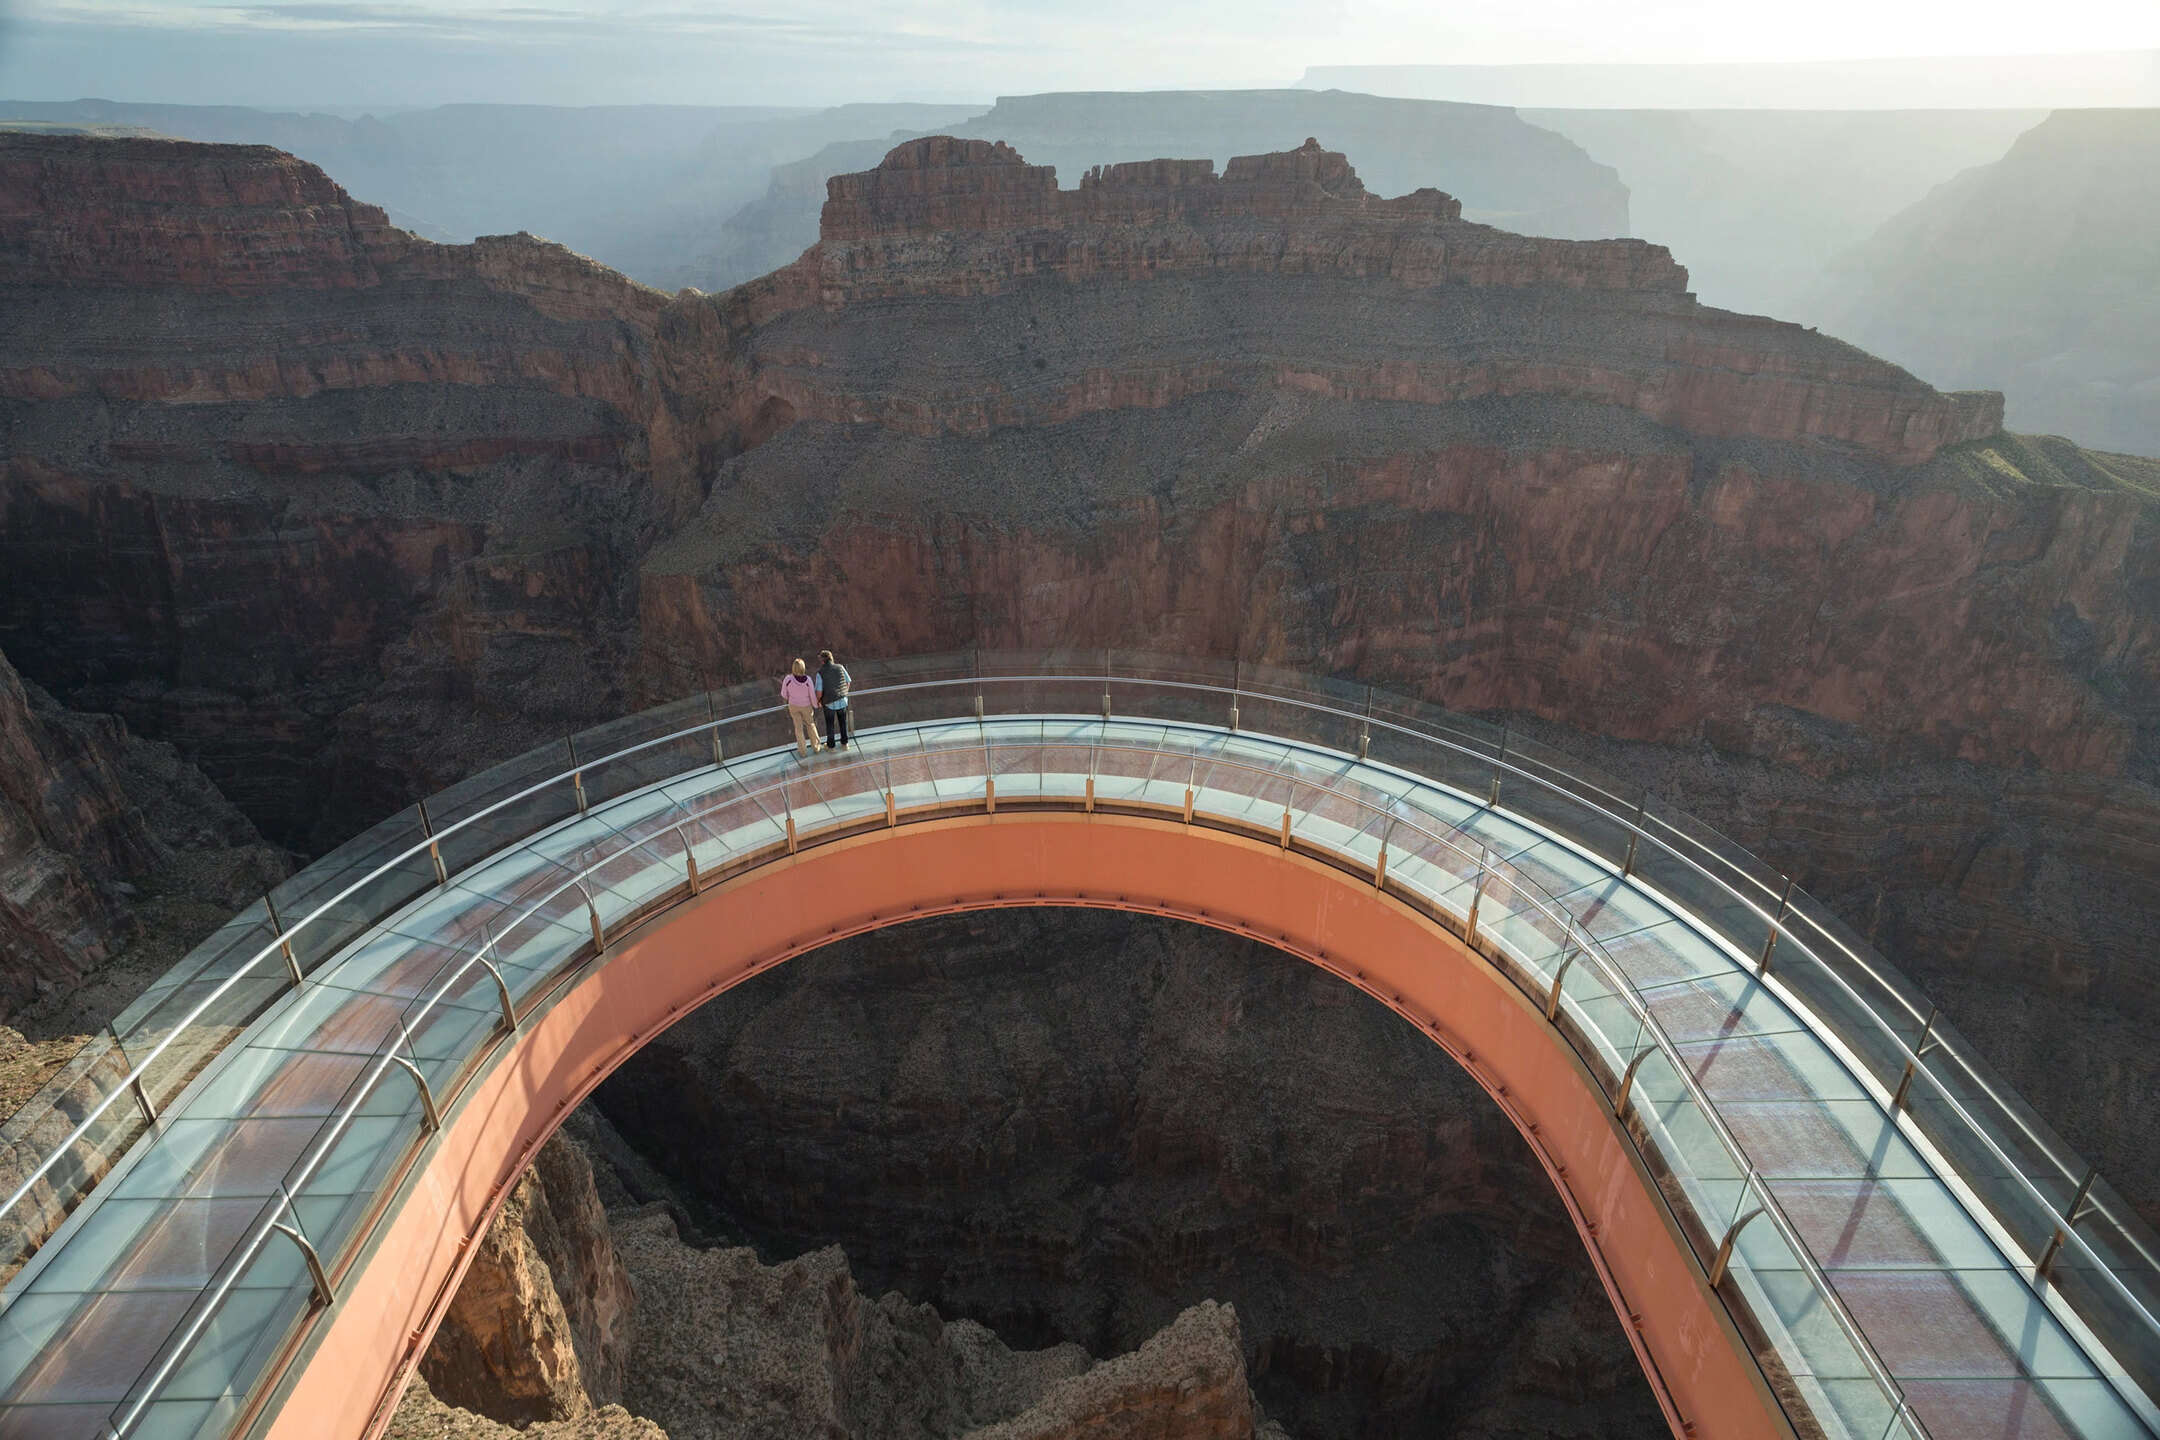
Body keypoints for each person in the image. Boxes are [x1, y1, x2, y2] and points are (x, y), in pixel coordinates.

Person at [780, 659, 820, 757]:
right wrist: (815, 705)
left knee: (798, 728)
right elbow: (812, 695)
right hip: (806, 706)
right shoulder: (808, 680)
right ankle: (816, 747)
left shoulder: (788, 679)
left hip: (793, 706)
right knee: (810, 725)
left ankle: (802, 751)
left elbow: (784, 694)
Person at [815, 648, 852, 750]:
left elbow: (819, 691)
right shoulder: (840, 667)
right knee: (843, 723)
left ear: (822, 661)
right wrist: (844, 692)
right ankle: (845, 744)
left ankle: (831, 746)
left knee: (830, 724)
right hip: (842, 700)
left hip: (829, 702)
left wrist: (818, 701)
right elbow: (848, 681)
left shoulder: (820, 673)